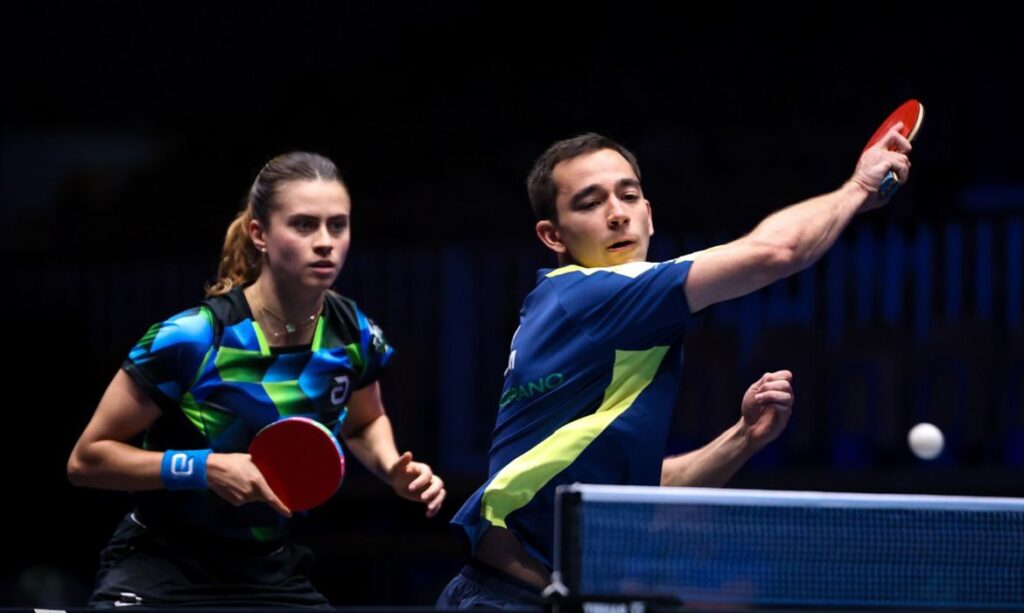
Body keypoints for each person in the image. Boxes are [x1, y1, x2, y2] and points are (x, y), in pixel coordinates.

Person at [439, 127, 912, 608]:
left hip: (543, 594)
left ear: (649, 214)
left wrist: (743, 437)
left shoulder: (576, 313)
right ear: (552, 235)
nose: (617, 214)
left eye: (628, 196)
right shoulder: (594, 296)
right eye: (590, 203)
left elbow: (634, 494)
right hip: (506, 599)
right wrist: (857, 188)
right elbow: (777, 251)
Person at [67, 151, 446, 608]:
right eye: (303, 225)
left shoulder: (353, 333)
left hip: (270, 572)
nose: (325, 243)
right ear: (259, 234)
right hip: (161, 567)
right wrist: (205, 468)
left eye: (338, 225)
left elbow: (363, 422)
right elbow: (87, 460)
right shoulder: (194, 337)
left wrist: (392, 468)